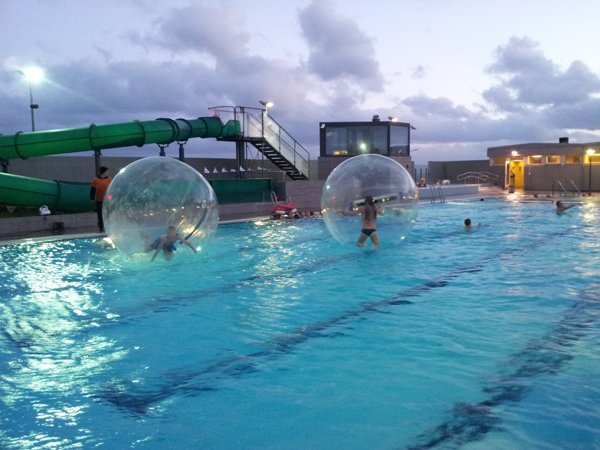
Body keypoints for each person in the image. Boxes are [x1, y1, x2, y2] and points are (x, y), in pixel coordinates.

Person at [90, 166, 111, 232]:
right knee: (100, 214)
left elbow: (111, 190)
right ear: (103, 172)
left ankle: (108, 226)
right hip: (99, 200)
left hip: (107, 200)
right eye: (107, 171)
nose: (108, 173)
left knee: (107, 213)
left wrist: (110, 199)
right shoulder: (96, 180)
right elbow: (93, 190)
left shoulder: (109, 179)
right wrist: (92, 198)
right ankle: (101, 227)